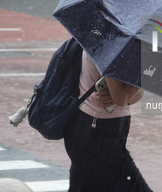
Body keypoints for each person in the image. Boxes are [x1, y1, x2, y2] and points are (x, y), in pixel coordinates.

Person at [64, 50, 153, 192]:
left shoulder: (115, 42)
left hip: (90, 128)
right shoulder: (111, 48)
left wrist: (127, 95)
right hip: (99, 133)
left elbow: (131, 96)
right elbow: (121, 97)